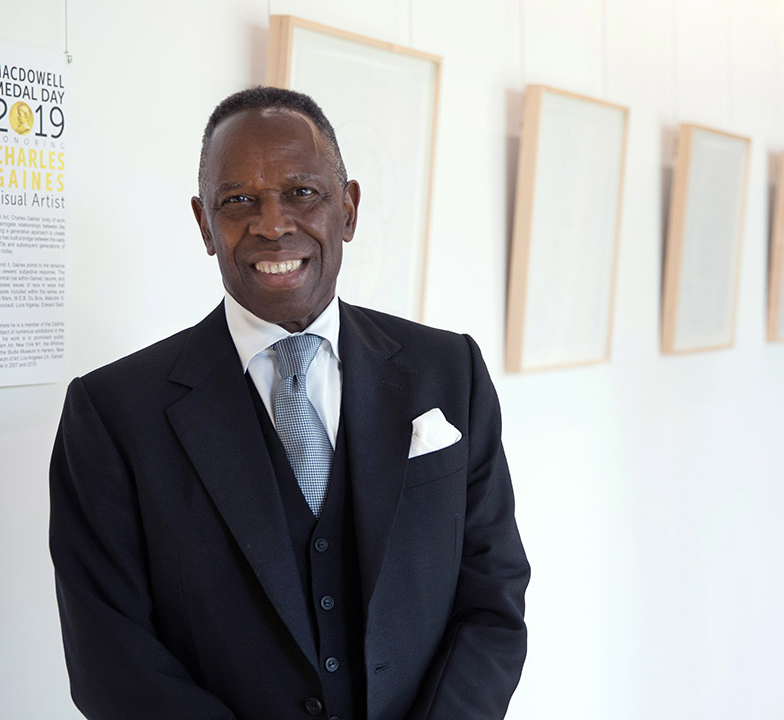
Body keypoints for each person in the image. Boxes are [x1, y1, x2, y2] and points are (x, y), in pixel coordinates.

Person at [49, 86, 529, 720]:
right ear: (204, 225)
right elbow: (112, 665)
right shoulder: (111, 413)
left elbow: (493, 596)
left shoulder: (449, 372)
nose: (272, 224)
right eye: (238, 199)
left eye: (302, 193)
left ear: (349, 209)